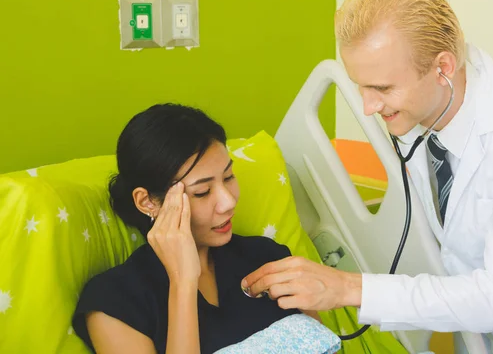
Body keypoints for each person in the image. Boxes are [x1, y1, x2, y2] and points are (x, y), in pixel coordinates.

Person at [242, 0, 493, 354]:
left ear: (442, 68)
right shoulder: (416, 112)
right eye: (360, 86)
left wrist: (346, 287)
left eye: (382, 88)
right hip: (481, 332)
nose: (367, 106)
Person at [72, 104, 317, 354]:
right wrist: (183, 282)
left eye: (229, 177)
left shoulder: (268, 259)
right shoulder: (115, 302)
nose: (228, 202)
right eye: (202, 192)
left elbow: (322, 345)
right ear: (148, 202)